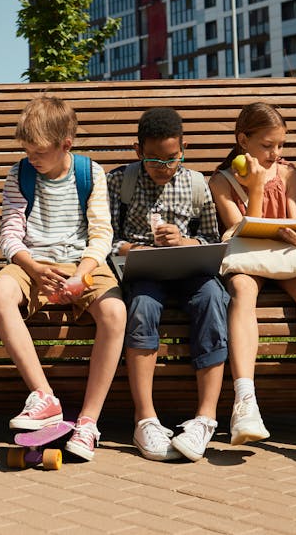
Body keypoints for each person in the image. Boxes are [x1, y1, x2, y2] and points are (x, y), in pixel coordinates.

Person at [0, 96, 126, 462]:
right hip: (35, 263)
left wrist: (83, 273)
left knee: (115, 314)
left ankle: (88, 422)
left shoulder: (89, 172)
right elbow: (11, 233)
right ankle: (44, 397)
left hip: (83, 264)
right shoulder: (20, 174)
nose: (32, 158)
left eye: (39, 152)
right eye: (28, 150)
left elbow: (101, 233)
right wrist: (30, 266)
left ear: (66, 144)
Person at [208, 102, 296, 449]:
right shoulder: (222, 180)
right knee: (241, 288)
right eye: (267, 145)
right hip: (248, 255)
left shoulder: (288, 174)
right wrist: (256, 186)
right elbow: (240, 231)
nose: (275, 153)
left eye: (280, 145)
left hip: (283, 253)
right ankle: (245, 402)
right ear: (243, 140)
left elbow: (294, 217)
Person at [107, 107, 228, 462]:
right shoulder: (120, 181)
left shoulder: (195, 182)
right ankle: (145, 418)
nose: (164, 167)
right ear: (137, 150)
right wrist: (135, 248)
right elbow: (105, 238)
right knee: (142, 307)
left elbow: (212, 238)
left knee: (212, 299)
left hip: (190, 268)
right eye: (154, 160)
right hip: (144, 272)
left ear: (183, 148)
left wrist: (186, 242)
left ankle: (205, 418)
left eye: (172, 159)